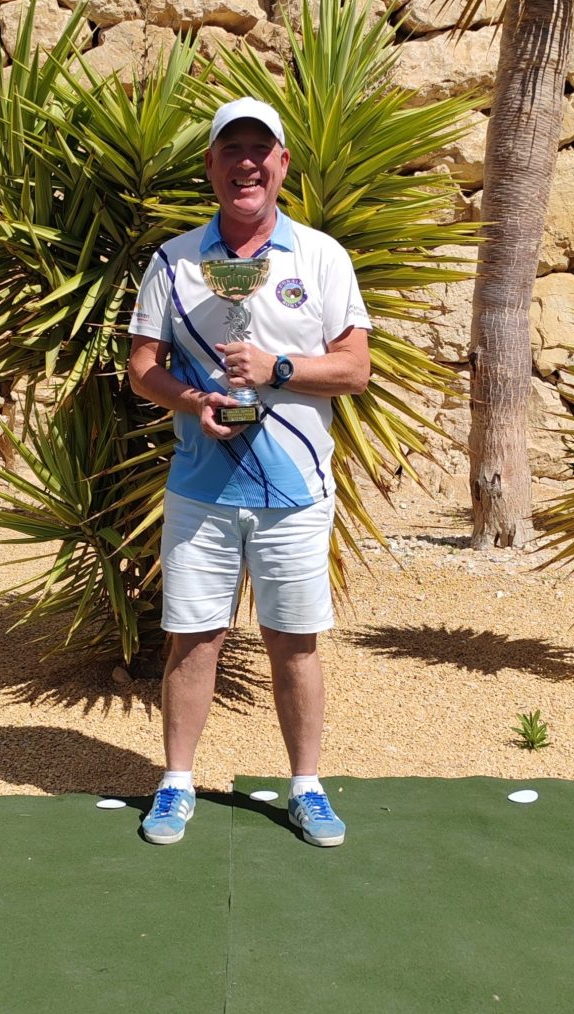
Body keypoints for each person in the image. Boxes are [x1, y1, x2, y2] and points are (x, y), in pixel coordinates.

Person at [128, 97, 371, 847]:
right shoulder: (173, 261)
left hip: (294, 490)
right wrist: (192, 398)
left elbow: (355, 370)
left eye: (259, 150)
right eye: (230, 149)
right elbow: (142, 367)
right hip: (200, 487)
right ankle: (175, 783)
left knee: (293, 641)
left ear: (282, 164)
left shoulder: (322, 257)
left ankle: (306, 787)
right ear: (210, 165)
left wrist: (278, 368)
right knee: (193, 639)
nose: (246, 164)